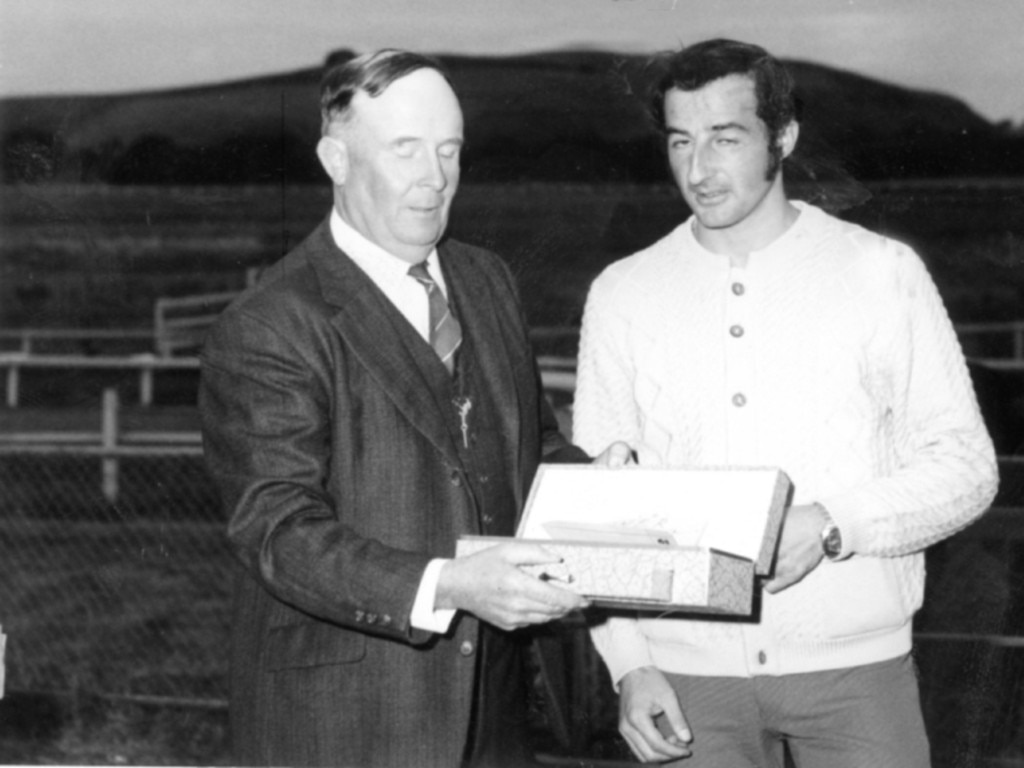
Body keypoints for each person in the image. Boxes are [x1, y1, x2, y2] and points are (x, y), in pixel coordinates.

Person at [572, 38, 999, 768]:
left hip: (856, 676)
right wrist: (630, 662)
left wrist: (833, 525)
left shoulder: (883, 271)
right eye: (681, 140)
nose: (699, 169)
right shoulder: (622, 292)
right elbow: (598, 508)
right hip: (686, 682)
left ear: (784, 137)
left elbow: (968, 469)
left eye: (726, 138)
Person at [200, 49, 629, 768]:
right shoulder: (271, 322)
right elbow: (278, 531)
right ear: (335, 158)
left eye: (449, 150)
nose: (434, 178)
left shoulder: (484, 279)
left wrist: (596, 483)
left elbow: (532, 445)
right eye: (405, 150)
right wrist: (449, 586)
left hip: (496, 713)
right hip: (349, 725)